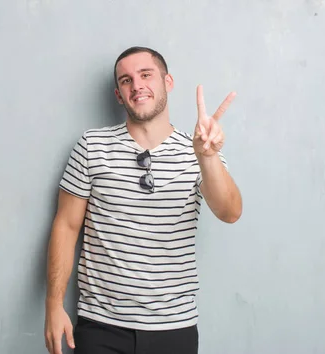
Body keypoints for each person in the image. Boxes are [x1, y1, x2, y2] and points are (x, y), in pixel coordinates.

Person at [43, 46, 242, 354]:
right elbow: (66, 226)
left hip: (174, 327)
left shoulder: (200, 151)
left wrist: (207, 157)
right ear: (119, 94)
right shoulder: (91, 146)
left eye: (146, 75)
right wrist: (53, 305)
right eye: (126, 80)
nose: (136, 85)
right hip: (101, 326)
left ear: (168, 82)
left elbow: (230, 212)